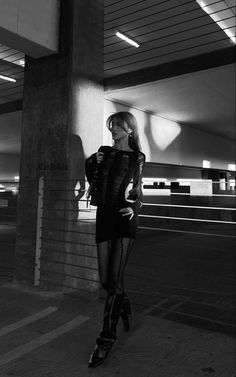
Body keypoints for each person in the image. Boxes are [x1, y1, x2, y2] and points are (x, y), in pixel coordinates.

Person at [85, 111, 145, 368]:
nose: (113, 130)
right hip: (104, 215)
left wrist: (136, 207)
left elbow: (138, 187)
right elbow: (94, 185)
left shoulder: (138, 157)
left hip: (124, 217)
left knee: (114, 280)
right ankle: (124, 302)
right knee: (107, 279)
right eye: (111, 126)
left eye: (118, 126)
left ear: (129, 129)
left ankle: (105, 339)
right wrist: (92, 163)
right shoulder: (103, 152)